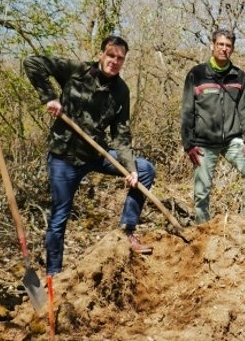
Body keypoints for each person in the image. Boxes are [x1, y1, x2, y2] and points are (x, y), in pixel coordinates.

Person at [23, 35, 156, 278]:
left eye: (120, 58)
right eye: (111, 55)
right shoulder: (77, 71)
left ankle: (127, 230)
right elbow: (32, 63)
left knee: (145, 169)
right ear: (101, 55)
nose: (115, 61)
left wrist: (130, 168)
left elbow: (122, 134)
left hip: (96, 153)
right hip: (65, 156)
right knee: (59, 216)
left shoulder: (121, 91)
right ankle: (54, 274)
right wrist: (50, 97)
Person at [180, 29, 245, 224]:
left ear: (232, 49)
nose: (224, 49)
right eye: (220, 44)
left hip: (232, 141)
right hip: (203, 143)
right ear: (212, 45)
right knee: (201, 192)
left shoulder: (239, 77)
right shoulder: (197, 74)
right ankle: (203, 232)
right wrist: (188, 144)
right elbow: (187, 111)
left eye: (228, 46)